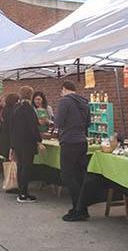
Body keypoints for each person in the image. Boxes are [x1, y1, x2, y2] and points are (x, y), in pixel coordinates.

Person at [56, 81, 90, 221]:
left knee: (68, 176)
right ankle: (82, 208)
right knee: (79, 176)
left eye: (61, 91)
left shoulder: (64, 101)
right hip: (82, 141)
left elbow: (58, 122)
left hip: (69, 141)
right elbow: (88, 123)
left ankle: (78, 209)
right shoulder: (84, 102)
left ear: (64, 89)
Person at [11, 86, 45, 203]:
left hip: (17, 142)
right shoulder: (29, 109)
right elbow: (33, 127)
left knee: (20, 166)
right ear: (31, 95)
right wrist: (39, 141)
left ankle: (22, 191)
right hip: (27, 142)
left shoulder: (16, 108)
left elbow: (12, 127)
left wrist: (12, 145)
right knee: (26, 167)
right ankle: (24, 194)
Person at [0, 93, 19, 160]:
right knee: (11, 159)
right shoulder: (12, 111)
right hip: (9, 139)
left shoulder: (5, 110)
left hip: (4, 139)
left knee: (7, 159)